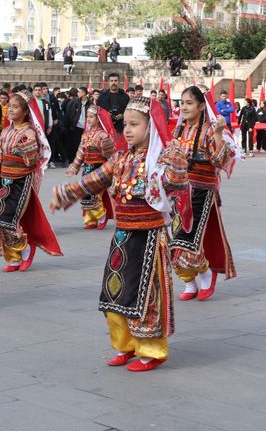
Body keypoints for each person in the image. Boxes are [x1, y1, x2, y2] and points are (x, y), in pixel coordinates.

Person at [49, 93, 188, 372]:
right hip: (123, 236)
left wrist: (170, 148)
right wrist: (67, 194)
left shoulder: (164, 155)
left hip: (149, 236)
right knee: (114, 291)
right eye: (125, 124)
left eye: (135, 124)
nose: (127, 129)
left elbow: (176, 179)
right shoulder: (121, 157)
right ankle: (125, 345)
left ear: (151, 126)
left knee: (145, 295)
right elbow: (95, 179)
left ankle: (150, 349)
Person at [170, 85, 238, 302]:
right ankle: (189, 282)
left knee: (189, 239)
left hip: (202, 191)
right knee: (173, 239)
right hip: (179, 191)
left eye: (190, 103)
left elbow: (220, 161)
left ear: (201, 106)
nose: (184, 107)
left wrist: (218, 133)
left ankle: (206, 274)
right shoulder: (179, 129)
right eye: (182, 103)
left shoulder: (209, 130)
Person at [0, 92, 62, 272]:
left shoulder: (28, 132)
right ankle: (13, 257)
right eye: (9, 106)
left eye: (15, 107)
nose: (10, 110)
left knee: (7, 219)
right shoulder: (5, 131)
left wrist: (26, 151)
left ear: (26, 111)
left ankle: (26, 248)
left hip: (21, 180)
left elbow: (32, 161)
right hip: (4, 182)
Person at [65, 105, 119, 229]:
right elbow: (80, 152)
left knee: (96, 193)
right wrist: (74, 167)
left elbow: (109, 155)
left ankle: (101, 217)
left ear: (98, 118)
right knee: (86, 193)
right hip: (87, 167)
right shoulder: (85, 135)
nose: (88, 119)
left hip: (99, 167)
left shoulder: (103, 135)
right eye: (87, 117)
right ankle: (90, 219)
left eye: (91, 117)